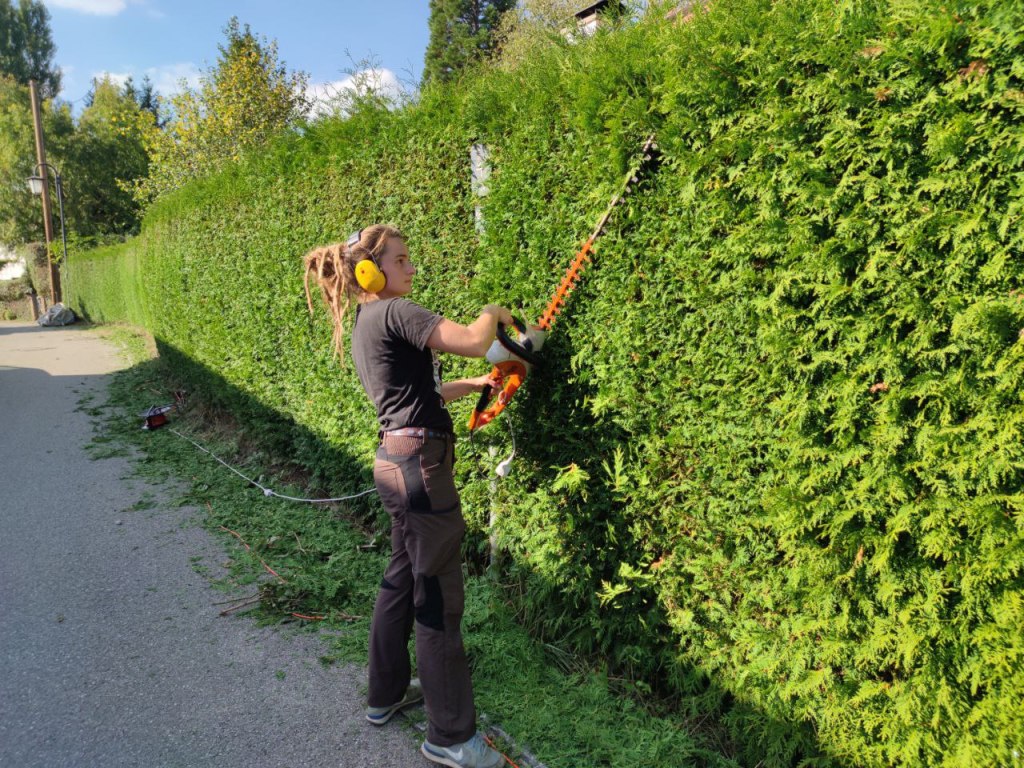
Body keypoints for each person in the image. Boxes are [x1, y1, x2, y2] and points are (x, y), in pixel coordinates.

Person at [303, 224, 514, 768]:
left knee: (402, 576)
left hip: (396, 461)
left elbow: (418, 395)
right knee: (437, 594)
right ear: (369, 270)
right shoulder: (397, 312)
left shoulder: (367, 322)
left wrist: (474, 387)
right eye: (401, 259)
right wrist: (494, 311)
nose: (412, 268)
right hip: (420, 469)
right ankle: (449, 736)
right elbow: (474, 340)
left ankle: (387, 693)